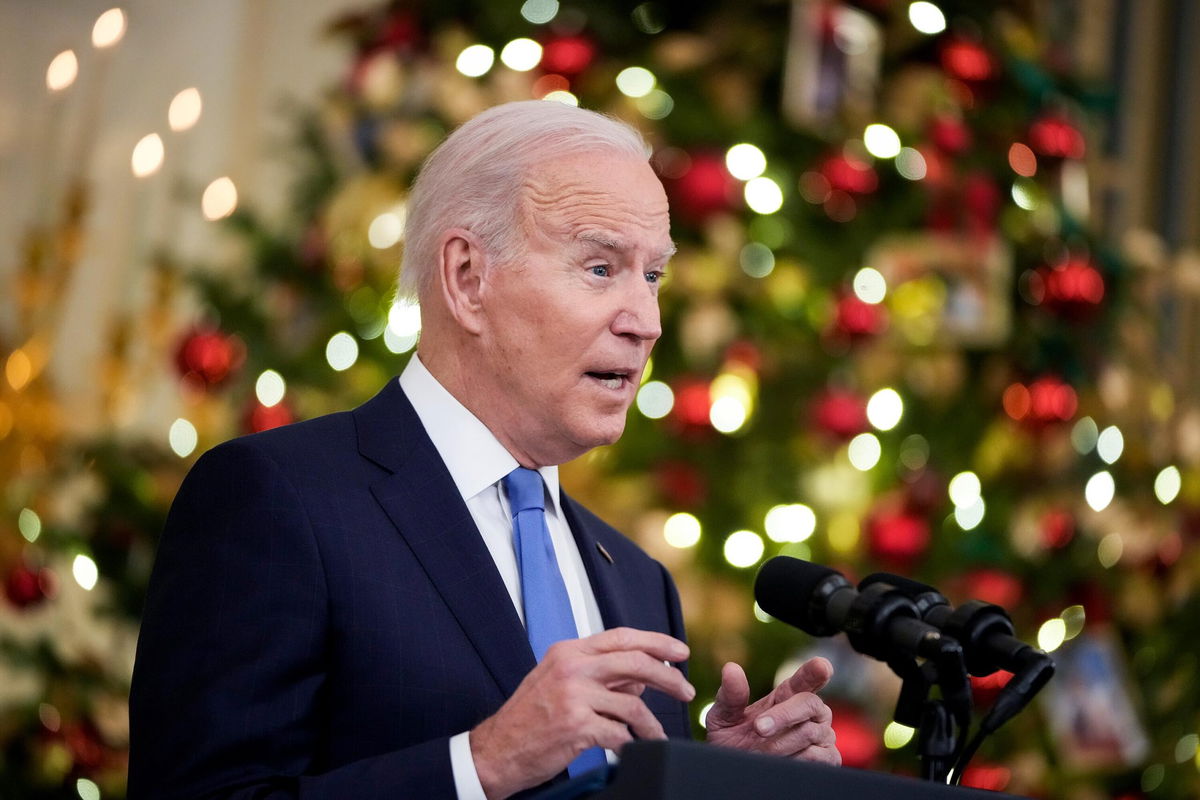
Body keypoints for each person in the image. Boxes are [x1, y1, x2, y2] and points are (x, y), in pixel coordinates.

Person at [128, 100, 840, 800]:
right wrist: (478, 765)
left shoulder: (640, 584)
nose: (646, 322)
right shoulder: (277, 500)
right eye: (600, 267)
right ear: (468, 278)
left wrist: (710, 784)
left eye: (653, 275)